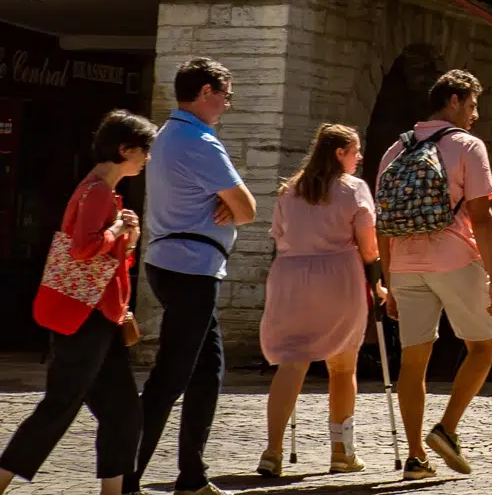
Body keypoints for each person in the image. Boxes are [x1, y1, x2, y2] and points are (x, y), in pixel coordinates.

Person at [0, 110, 153, 495]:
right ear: (125, 149)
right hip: (85, 317)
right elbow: (84, 249)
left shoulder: (105, 192)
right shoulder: (97, 191)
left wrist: (128, 240)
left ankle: (114, 491)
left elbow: (107, 260)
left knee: (122, 410)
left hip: (103, 316)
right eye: (144, 150)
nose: (147, 158)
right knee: (61, 405)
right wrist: (117, 229)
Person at [128, 57, 255, 495]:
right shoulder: (200, 141)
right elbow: (247, 209)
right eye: (226, 95)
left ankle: (192, 475)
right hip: (192, 268)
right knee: (171, 376)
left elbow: (234, 206)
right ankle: (126, 478)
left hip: (172, 262)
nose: (227, 104)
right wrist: (229, 205)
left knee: (207, 370)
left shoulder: (166, 134)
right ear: (206, 92)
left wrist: (225, 203)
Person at [375, 70, 492, 479]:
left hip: (404, 266)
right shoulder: (467, 146)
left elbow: (383, 223)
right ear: (453, 100)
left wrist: (390, 281)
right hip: (455, 259)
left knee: (413, 361)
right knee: (484, 346)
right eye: (472, 105)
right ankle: (446, 428)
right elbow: (481, 217)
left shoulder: (395, 149)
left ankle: (416, 457)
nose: (475, 115)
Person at [257, 124, 381, 478]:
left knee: (291, 363)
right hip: (338, 277)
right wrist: (378, 279)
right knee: (342, 367)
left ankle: (273, 451)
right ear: (339, 153)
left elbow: (279, 236)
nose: (359, 158)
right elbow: (369, 248)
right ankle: (341, 453)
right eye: (355, 151)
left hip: (291, 278)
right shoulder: (353, 189)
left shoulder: (290, 190)